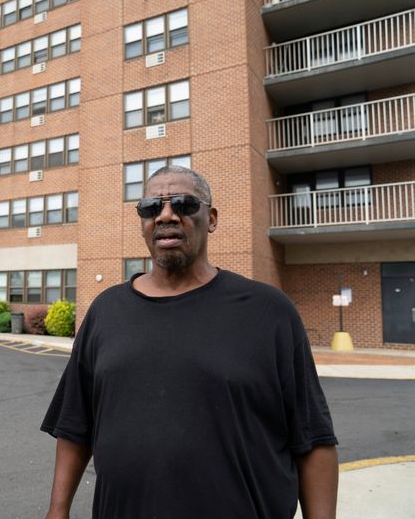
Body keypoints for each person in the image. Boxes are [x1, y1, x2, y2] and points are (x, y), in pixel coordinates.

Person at [41, 166, 338, 519]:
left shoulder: (269, 312)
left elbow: (313, 439)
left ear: (211, 218)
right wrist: (57, 511)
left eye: (184, 204)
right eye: (151, 207)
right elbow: (75, 426)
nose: (166, 215)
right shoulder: (106, 312)